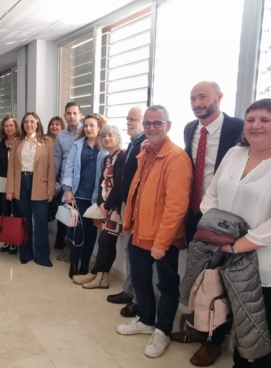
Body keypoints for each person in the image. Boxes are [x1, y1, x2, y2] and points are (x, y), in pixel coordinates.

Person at [171, 81, 244, 366]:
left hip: (225, 218)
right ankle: (198, 327)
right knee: (198, 276)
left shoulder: (238, 127)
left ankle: (214, 341)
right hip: (194, 213)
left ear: (219, 97)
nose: (197, 102)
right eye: (192, 98)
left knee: (219, 279)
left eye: (203, 96)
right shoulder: (190, 129)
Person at [116, 105, 192, 358]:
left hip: (162, 238)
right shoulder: (144, 152)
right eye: (147, 124)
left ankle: (162, 331)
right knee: (139, 279)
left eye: (157, 123)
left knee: (167, 285)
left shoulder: (176, 158)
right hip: (139, 230)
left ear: (168, 126)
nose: (151, 128)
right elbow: (137, 193)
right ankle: (146, 320)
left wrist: (162, 242)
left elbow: (176, 206)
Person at [200, 98, 271, 367]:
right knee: (228, 317)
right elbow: (212, 194)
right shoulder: (234, 154)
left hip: (261, 265)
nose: (256, 125)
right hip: (224, 254)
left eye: (265, 120)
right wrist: (217, 233)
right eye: (251, 119)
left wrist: (237, 245)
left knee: (257, 332)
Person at [72, 125, 125, 289]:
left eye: (110, 135)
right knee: (106, 242)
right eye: (104, 136)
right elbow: (103, 183)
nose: (107, 138)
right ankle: (98, 275)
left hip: (116, 207)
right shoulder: (107, 158)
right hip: (106, 205)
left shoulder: (121, 157)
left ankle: (98, 274)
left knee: (105, 240)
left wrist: (107, 205)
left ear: (117, 137)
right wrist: (101, 202)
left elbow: (119, 185)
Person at [107, 106, 146, 318]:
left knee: (137, 253)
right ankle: (130, 291)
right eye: (128, 119)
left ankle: (138, 300)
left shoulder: (146, 144)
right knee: (129, 250)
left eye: (134, 119)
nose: (129, 122)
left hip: (139, 207)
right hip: (127, 204)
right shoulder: (133, 144)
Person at [6, 112, 55, 267]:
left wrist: (50, 189)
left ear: (37, 123)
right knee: (25, 220)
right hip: (21, 182)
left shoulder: (46, 141)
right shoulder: (17, 141)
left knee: (40, 221)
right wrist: (10, 189)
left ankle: (42, 256)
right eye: (26, 122)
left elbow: (51, 167)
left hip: (40, 183)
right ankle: (25, 253)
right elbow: (11, 167)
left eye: (32, 122)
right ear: (23, 124)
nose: (29, 124)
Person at [63, 113, 107, 278]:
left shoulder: (104, 147)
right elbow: (69, 167)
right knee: (76, 231)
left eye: (92, 126)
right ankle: (74, 263)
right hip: (78, 196)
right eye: (86, 126)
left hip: (96, 199)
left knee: (90, 234)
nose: (88, 129)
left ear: (99, 127)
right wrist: (67, 190)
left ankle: (85, 263)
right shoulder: (77, 145)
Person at [54, 102, 83, 256]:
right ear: (65, 115)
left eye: (74, 113)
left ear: (80, 115)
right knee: (65, 215)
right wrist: (56, 181)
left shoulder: (86, 131)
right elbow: (57, 159)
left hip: (81, 182)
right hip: (65, 183)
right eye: (68, 113)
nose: (72, 116)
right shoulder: (61, 136)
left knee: (79, 218)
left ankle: (76, 249)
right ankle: (66, 246)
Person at [0, 115, 21, 254]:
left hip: (17, 182)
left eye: (11, 125)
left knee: (15, 210)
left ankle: (14, 240)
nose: (9, 128)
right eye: (6, 126)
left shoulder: (21, 142)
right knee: (4, 210)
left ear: (16, 127)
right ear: (3, 128)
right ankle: (6, 237)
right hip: (1, 181)